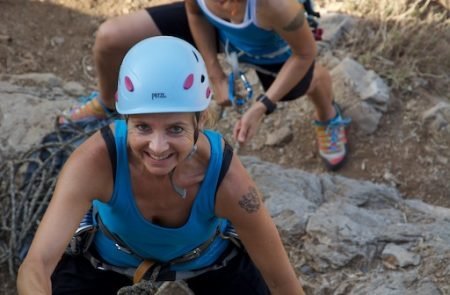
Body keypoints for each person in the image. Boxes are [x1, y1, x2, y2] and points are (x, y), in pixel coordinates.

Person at [17, 36, 304, 295]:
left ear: (201, 121)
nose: (157, 147)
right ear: (124, 120)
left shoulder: (225, 181)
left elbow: (282, 282)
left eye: (175, 129)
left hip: (209, 263)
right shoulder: (96, 162)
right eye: (142, 127)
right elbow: (37, 266)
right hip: (106, 261)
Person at [58, 0, 350, 171]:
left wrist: (262, 106)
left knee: (304, 82)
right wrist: (215, 73)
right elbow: (196, 13)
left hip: (270, 49)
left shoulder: (276, 6)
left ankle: (328, 116)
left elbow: (305, 53)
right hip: (217, 31)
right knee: (111, 37)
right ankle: (107, 103)